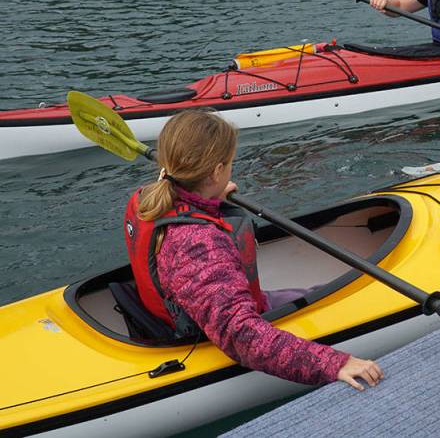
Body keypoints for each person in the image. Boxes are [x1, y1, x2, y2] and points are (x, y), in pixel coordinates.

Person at [123, 109, 384, 390]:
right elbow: (242, 336)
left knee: (322, 291)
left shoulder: (149, 197)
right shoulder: (198, 244)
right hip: (208, 331)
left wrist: (211, 196)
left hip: (186, 307)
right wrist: (333, 363)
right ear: (216, 172)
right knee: (339, 300)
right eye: (229, 163)